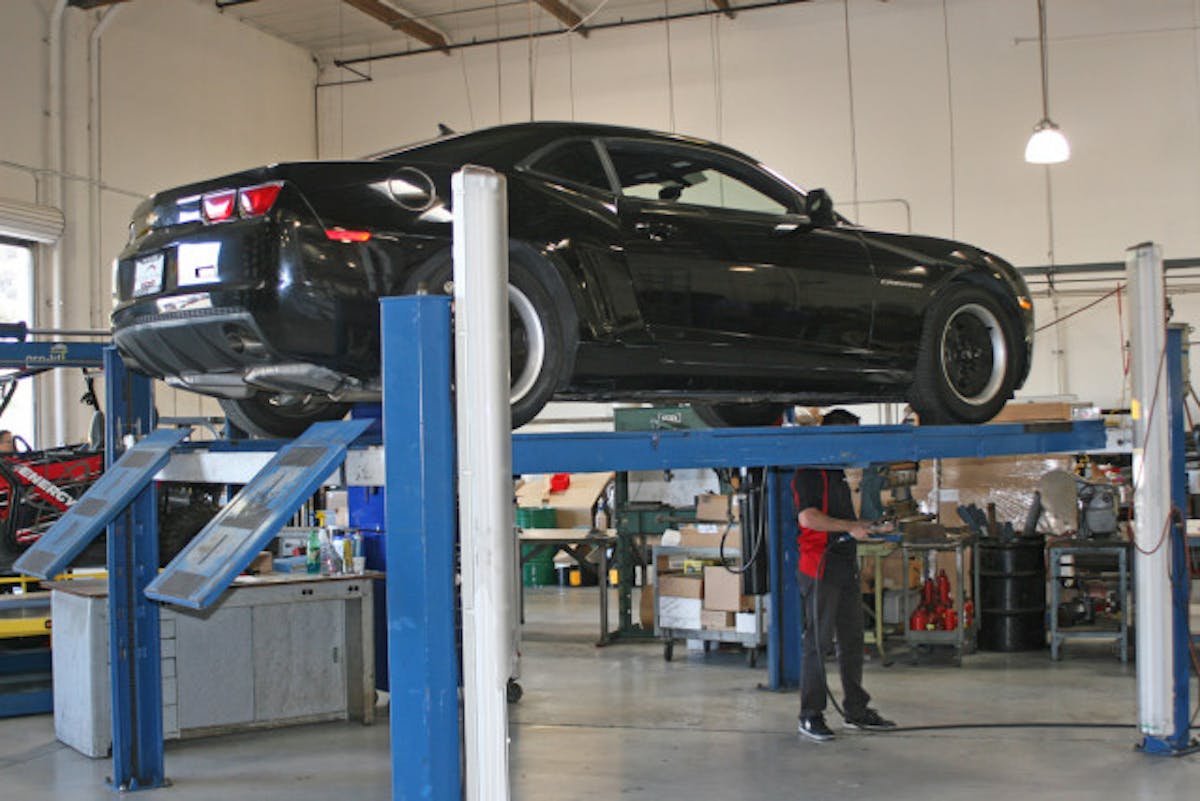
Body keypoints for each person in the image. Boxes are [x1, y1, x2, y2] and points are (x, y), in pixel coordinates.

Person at [792, 408, 896, 742]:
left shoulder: (837, 474)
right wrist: (852, 527)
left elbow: (842, 522)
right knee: (818, 644)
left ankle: (856, 710)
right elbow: (809, 518)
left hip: (842, 565)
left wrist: (867, 526)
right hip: (819, 566)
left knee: (851, 641)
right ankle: (810, 715)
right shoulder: (809, 473)